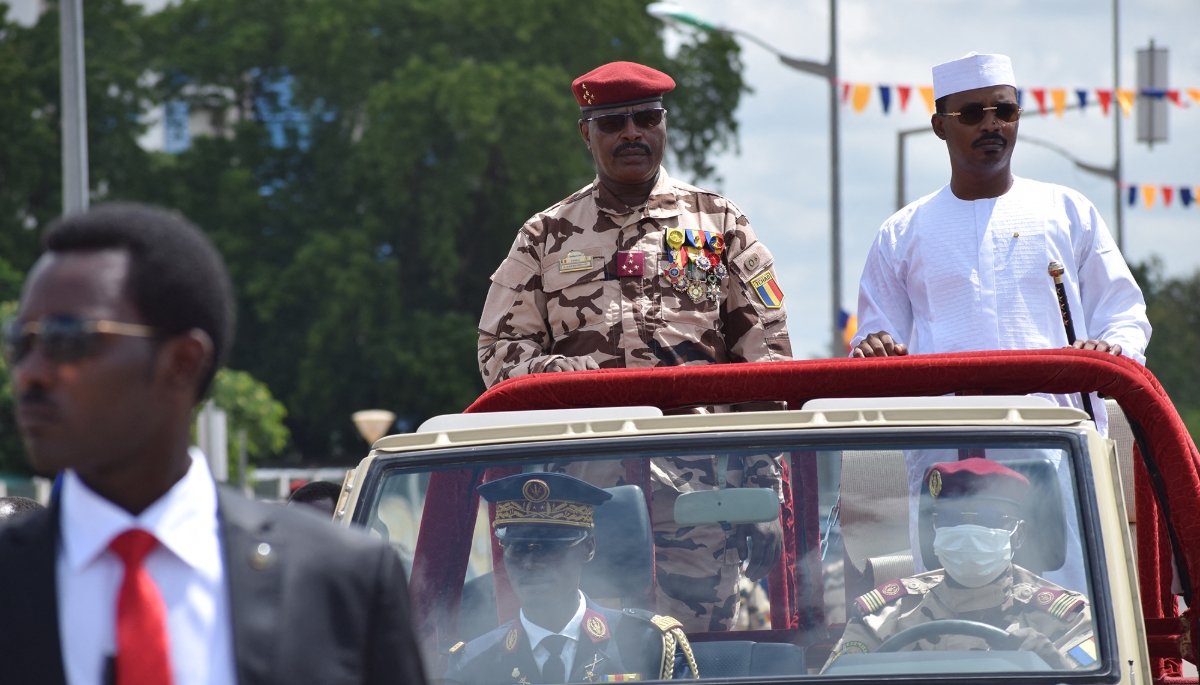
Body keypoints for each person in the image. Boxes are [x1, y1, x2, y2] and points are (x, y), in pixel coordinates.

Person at [0, 203, 426, 685]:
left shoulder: (340, 581)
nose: (31, 373)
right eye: (20, 343)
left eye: (66, 339)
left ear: (183, 362)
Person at [476, 60, 790, 631]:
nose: (632, 135)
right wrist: (558, 372)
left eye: (646, 119)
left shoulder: (718, 222)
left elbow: (765, 359)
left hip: (701, 499)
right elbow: (498, 354)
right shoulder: (544, 237)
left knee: (698, 655)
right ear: (586, 133)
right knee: (593, 650)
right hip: (583, 503)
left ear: (663, 124)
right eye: (613, 123)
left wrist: (766, 492)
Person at [849, 52, 1150, 591]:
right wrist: (875, 349)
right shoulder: (902, 232)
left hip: (1053, 449)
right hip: (948, 454)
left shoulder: (1066, 210)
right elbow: (876, 340)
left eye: (1004, 111)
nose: (991, 124)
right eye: (972, 114)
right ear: (940, 125)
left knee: (1072, 609)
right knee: (950, 612)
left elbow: (1124, 314)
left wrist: (1106, 352)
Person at [823, 459, 1094, 672]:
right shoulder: (886, 615)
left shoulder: (1067, 619)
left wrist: (1055, 666)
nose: (968, 532)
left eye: (989, 518)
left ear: (1018, 535)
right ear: (934, 531)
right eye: (951, 519)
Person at [444, 472, 695, 684]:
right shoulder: (471, 666)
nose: (530, 564)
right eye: (517, 548)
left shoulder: (650, 646)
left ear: (588, 549)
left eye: (550, 548)